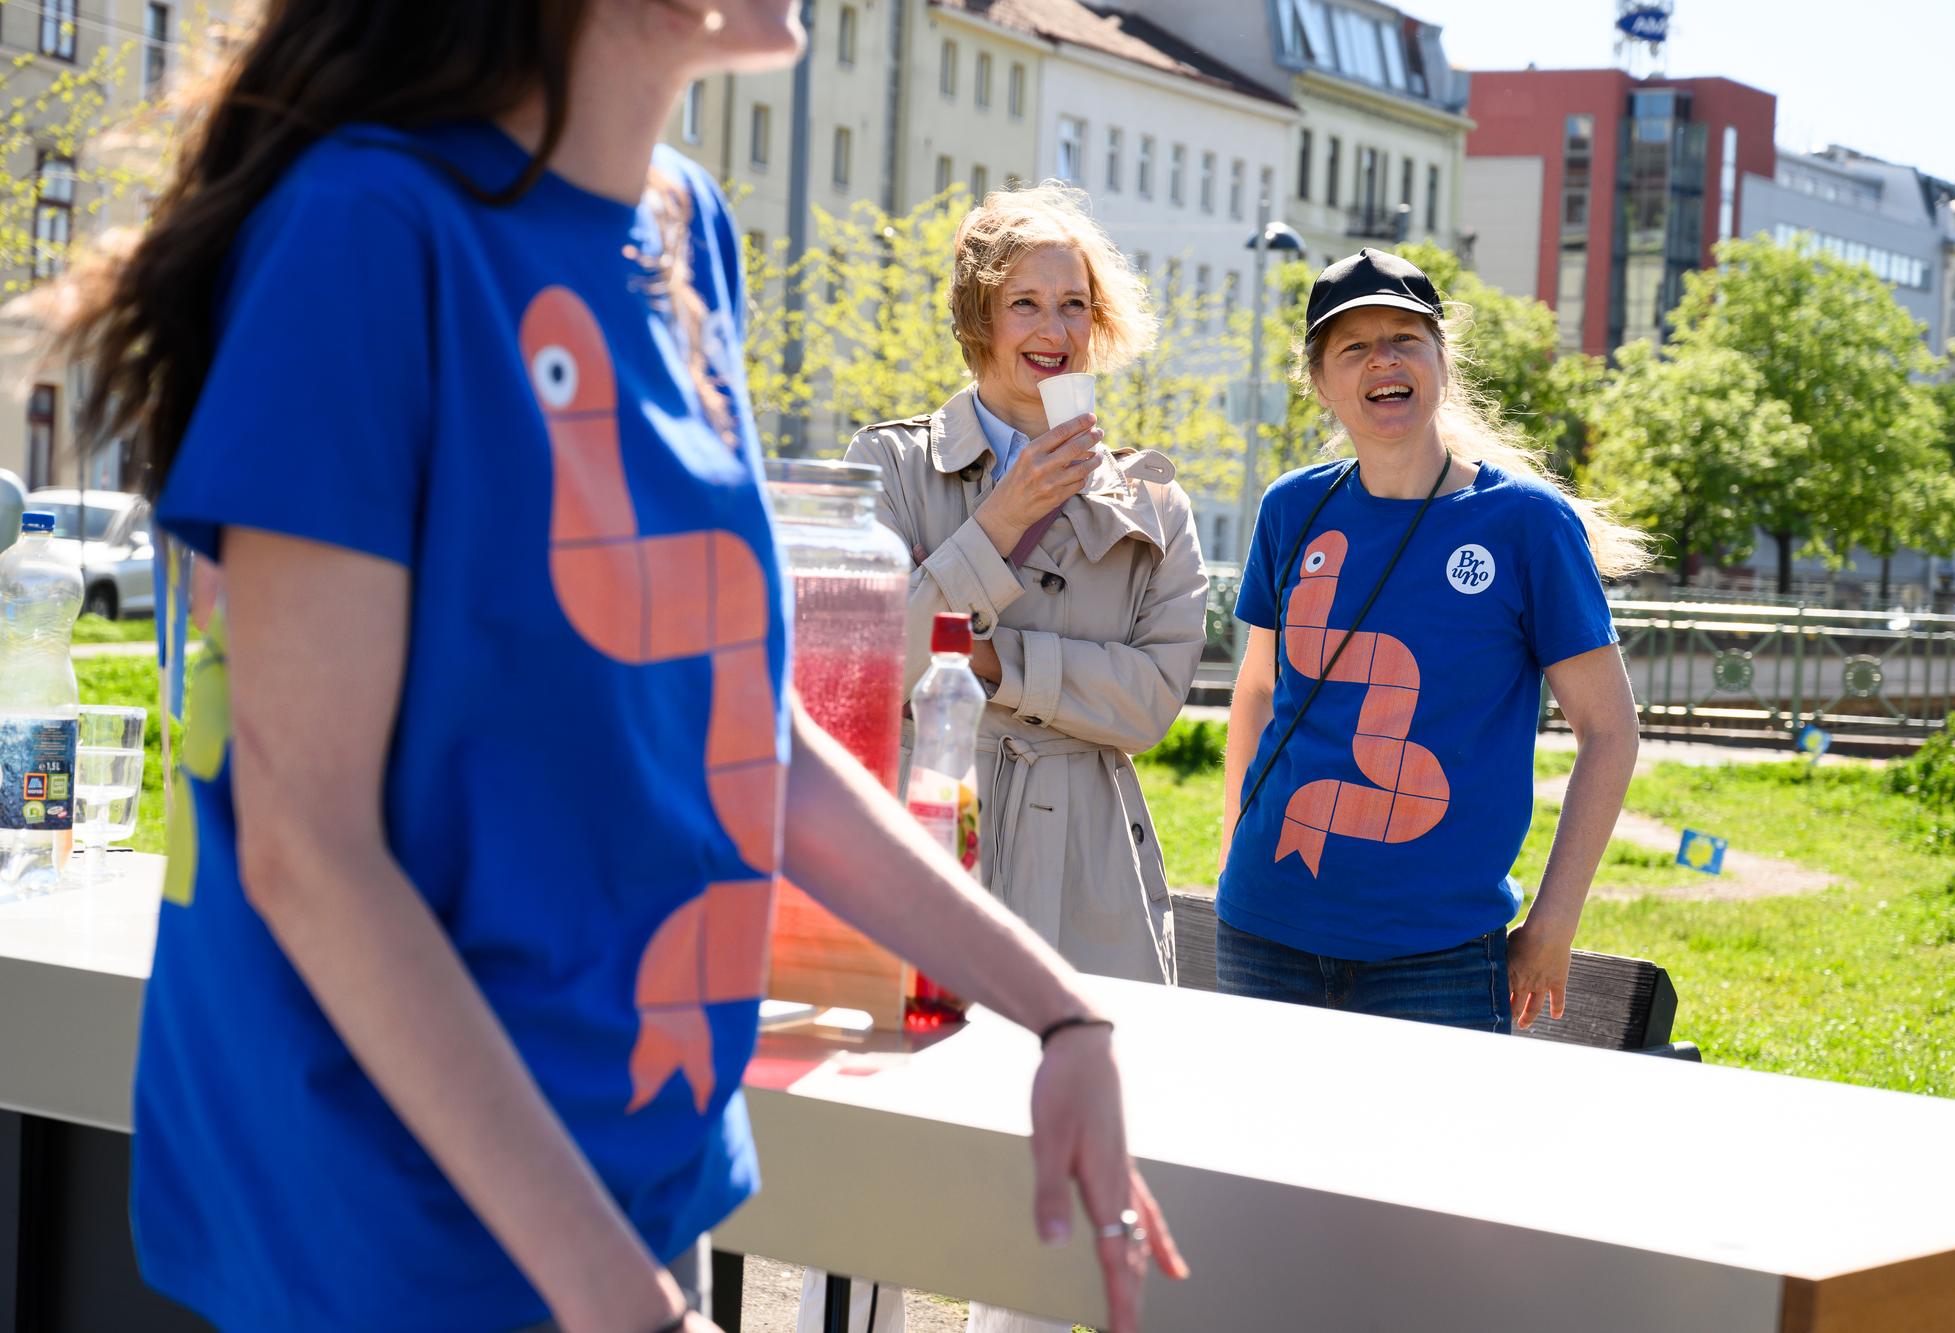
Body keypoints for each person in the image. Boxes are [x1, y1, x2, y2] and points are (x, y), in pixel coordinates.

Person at [54, 4, 1184, 1331]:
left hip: (635, 1156)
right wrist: (624, 1303)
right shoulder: (366, 228)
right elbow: (308, 845)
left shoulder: (685, 229)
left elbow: (745, 734)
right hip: (396, 1217)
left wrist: (1061, 1018)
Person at [816, 186, 1206, 1333]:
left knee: (1043, 1229)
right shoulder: (888, 465)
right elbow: (859, 660)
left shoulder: (1151, 498)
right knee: (875, 1181)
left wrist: (997, 661)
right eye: (1025, 300)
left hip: (1084, 862)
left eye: (1073, 304)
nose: (1052, 327)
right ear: (977, 315)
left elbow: (1150, 698)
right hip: (923, 837)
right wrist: (993, 527)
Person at [1217, 248, 1644, 1035]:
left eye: (1405, 339)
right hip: (1265, 926)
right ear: (1320, 381)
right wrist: (1229, 857)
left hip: (1437, 951)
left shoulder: (1527, 524)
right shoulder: (1290, 509)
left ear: (1442, 361)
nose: (1383, 360)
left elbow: (1610, 730)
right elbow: (1256, 692)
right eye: (1354, 346)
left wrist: (1554, 923)